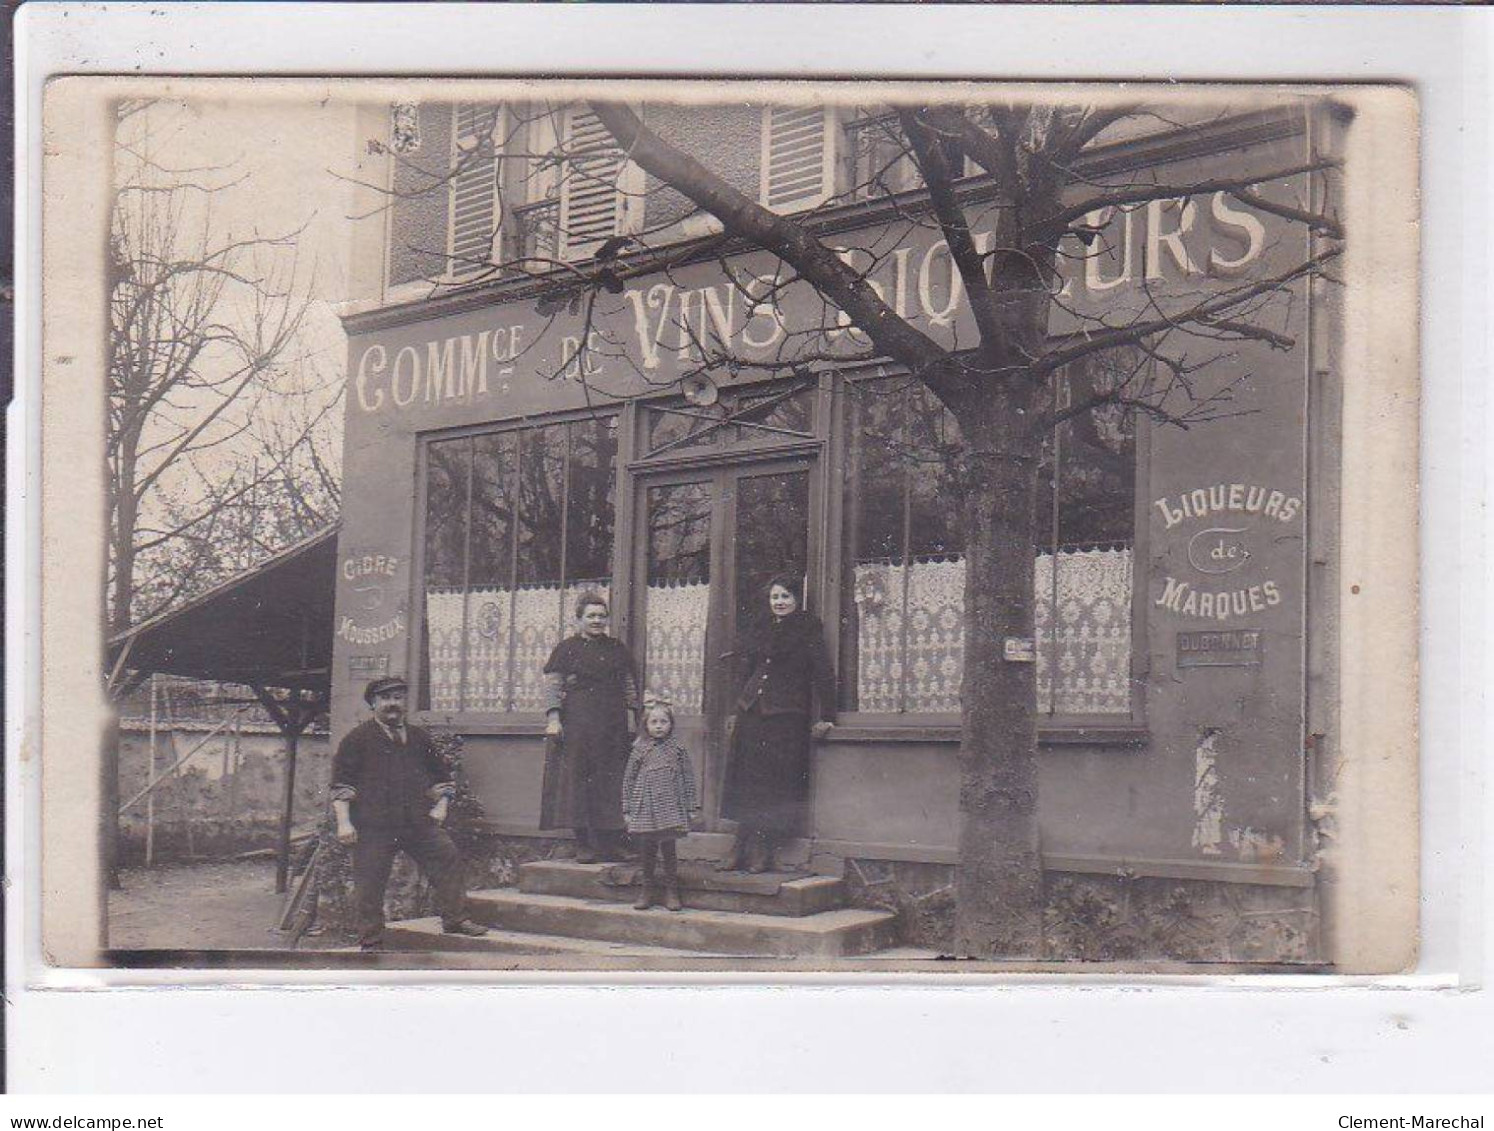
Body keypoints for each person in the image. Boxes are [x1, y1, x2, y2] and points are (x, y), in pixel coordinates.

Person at [331, 675, 489, 951]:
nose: (393, 704)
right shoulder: (357, 739)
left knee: (447, 856)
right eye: (386, 699)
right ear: (373, 704)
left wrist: (441, 805)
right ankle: (371, 941)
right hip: (373, 826)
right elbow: (341, 785)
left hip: (417, 823)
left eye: (398, 698)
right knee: (369, 882)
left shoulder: (419, 738)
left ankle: (455, 919)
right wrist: (344, 823)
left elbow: (441, 778)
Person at [719, 575, 836, 874]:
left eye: (785, 596)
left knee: (771, 785)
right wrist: (736, 707)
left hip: (785, 716)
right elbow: (746, 669)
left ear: (797, 599)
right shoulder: (761, 628)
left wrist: (829, 715)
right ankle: (739, 845)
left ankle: (762, 848)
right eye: (775, 597)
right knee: (746, 781)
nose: (780, 602)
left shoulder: (807, 630)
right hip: (751, 712)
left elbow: (823, 672)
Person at [540, 592, 641, 864]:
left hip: (613, 725)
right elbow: (553, 686)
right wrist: (553, 718)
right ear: (579, 619)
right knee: (579, 781)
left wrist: (633, 717)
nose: (597, 621)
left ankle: (612, 843)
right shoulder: (566, 648)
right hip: (579, 724)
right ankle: (583, 843)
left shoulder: (617, 648)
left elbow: (629, 685)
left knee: (612, 781)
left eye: (601, 616)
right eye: (591, 616)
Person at [622, 698, 700, 911]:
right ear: (646, 725)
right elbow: (629, 779)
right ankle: (646, 889)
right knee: (646, 848)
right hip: (645, 804)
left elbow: (688, 777)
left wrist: (691, 806)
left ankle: (671, 890)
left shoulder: (677, 748)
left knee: (668, 847)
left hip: (670, 806)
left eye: (663, 722)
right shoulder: (640, 749)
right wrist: (627, 808)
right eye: (654, 722)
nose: (658, 726)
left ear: (671, 724)